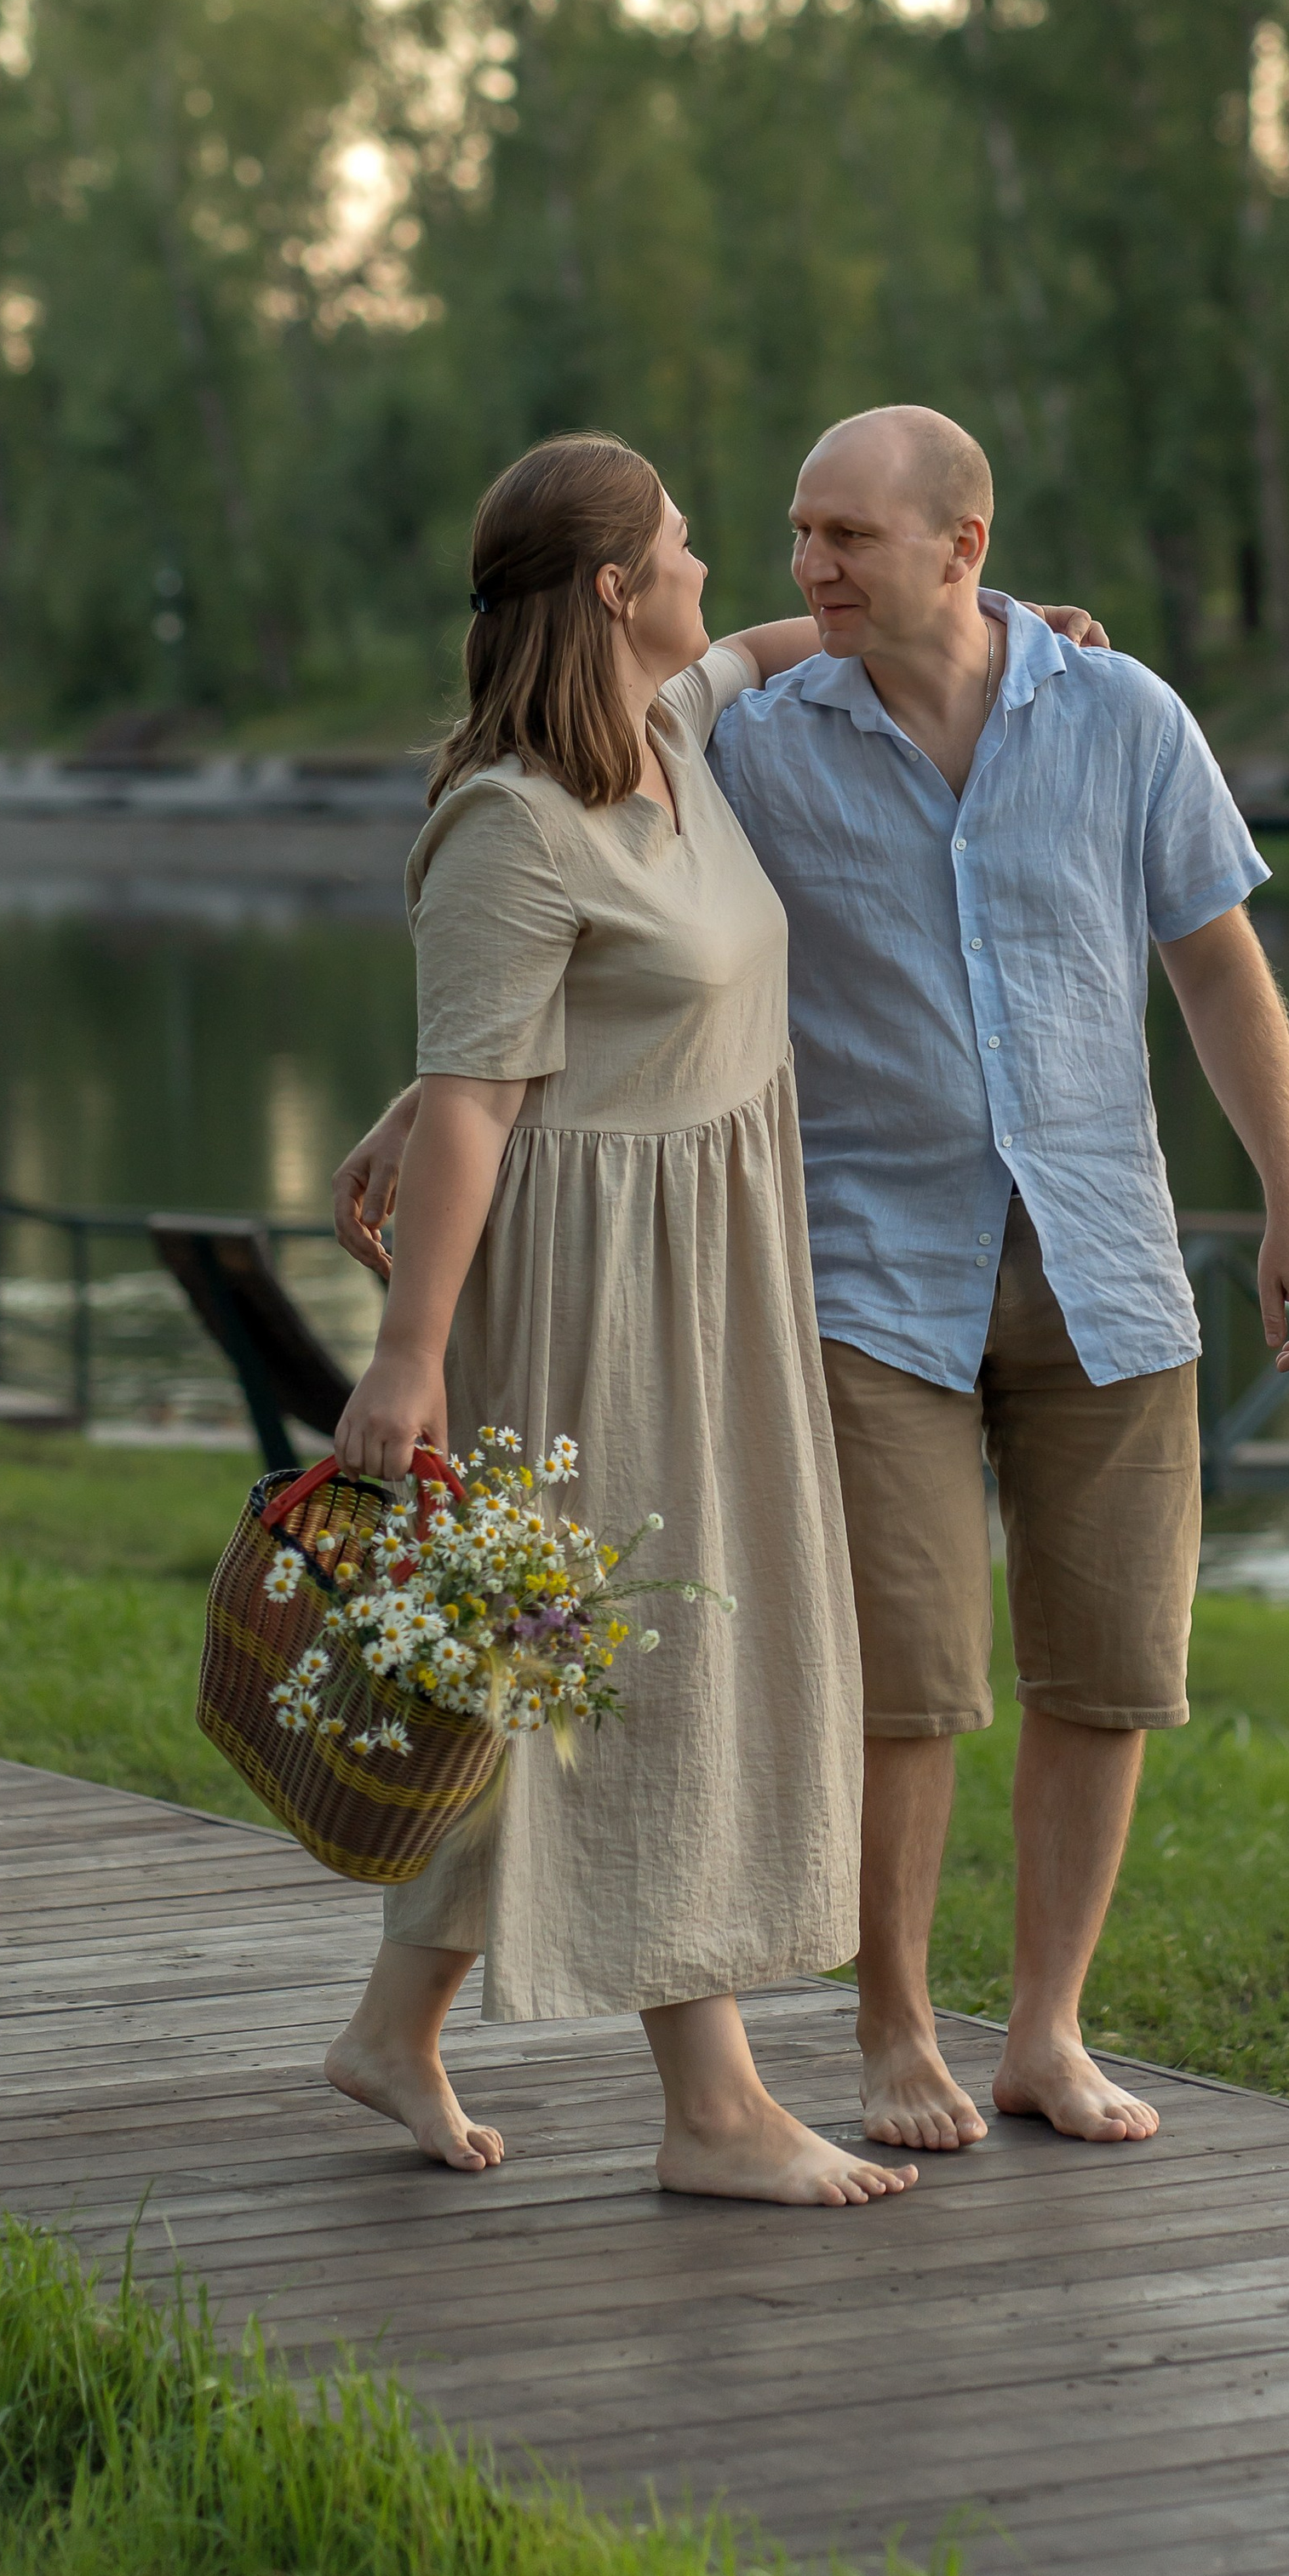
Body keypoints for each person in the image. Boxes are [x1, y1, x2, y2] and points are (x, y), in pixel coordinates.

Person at [341, 404, 1289, 2161]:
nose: (797, 564)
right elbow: (538, 962)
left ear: (962, 549)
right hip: (781, 1277)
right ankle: (841, 2056)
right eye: (777, 533)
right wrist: (425, 1144)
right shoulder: (715, 748)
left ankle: (1038, 2033)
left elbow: (1212, 960)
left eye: (844, 536)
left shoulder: (1093, 716)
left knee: (1085, 1671)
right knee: (826, 1675)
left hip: (1083, 1259)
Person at [325, 428, 914, 2207]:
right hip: (594, 1295)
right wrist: (409, 1358)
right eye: (679, 542)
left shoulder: (669, 726)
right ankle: (712, 2110)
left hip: (713, 1261)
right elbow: (477, 1101)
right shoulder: (509, 822)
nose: (709, 567)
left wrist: (1013, 621)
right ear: (609, 586)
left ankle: (391, 2031)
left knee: (540, 1660)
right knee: (643, 1659)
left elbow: (774, 647)